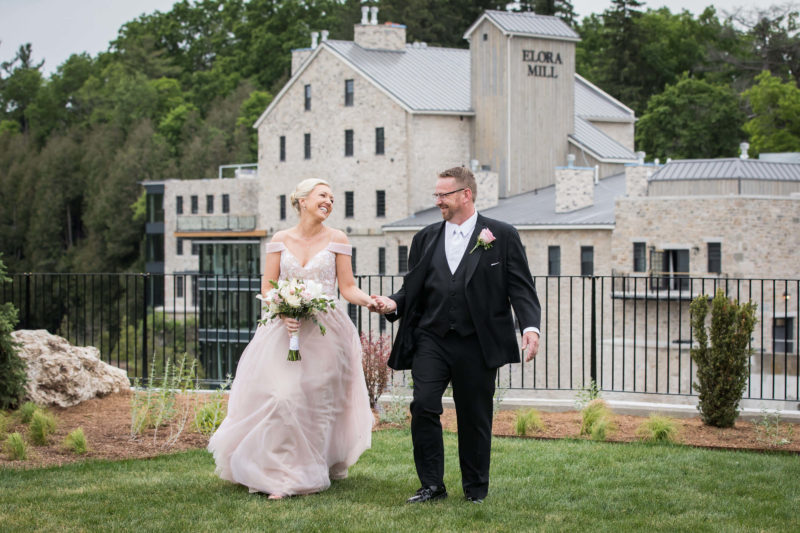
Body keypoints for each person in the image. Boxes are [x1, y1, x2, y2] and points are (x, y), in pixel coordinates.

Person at [372, 166, 541, 504]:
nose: (438, 201)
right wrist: (391, 303)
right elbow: (412, 289)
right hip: (431, 338)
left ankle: (475, 489)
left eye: (444, 195)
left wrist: (530, 328)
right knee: (423, 405)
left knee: (474, 414)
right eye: (436, 195)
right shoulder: (425, 238)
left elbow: (521, 287)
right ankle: (431, 485)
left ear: (466, 195)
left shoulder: (502, 235)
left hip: (477, 342)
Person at [208, 178, 375, 499]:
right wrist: (283, 309)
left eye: (332, 197)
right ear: (301, 200)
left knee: (316, 401)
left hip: (327, 331)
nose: (329, 201)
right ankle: (275, 469)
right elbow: (268, 288)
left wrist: (370, 301)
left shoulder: (338, 238)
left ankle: (309, 467)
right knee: (281, 396)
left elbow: (347, 288)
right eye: (322, 195)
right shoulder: (279, 240)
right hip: (284, 330)